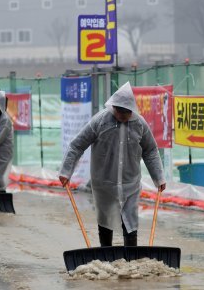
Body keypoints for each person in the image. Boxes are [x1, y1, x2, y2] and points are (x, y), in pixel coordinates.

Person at [58, 82, 166, 247]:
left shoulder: (140, 124)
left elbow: (150, 150)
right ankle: (106, 255)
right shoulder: (100, 121)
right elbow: (77, 145)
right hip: (104, 184)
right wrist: (66, 171)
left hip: (130, 183)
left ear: (132, 110)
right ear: (114, 107)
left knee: (130, 224)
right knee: (106, 222)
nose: (123, 116)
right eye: (120, 112)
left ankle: (131, 258)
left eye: (127, 113)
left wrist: (159, 178)